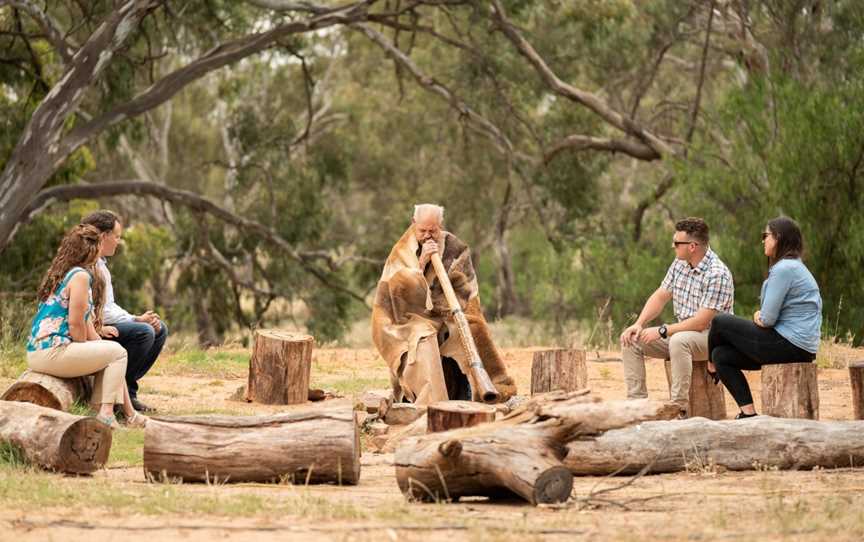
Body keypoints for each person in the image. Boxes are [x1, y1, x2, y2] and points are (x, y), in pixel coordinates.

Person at [371, 204, 517, 405]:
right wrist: (420, 265)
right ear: (414, 224)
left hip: (449, 313)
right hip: (411, 318)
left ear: (440, 225)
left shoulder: (455, 248)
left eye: (433, 230)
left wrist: (453, 312)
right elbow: (394, 297)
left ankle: (475, 395)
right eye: (422, 231)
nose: (428, 236)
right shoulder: (401, 251)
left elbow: (468, 292)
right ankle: (434, 404)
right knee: (424, 339)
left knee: (472, 329)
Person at [26, 224, 147, 429]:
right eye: (99, 245)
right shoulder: (80, 276)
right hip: (52, 352)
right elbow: (75, 324)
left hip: (38, 352)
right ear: (91, 249)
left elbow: (85, 321)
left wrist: (97, 347)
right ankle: (106, 414)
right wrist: (87, 348)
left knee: (113, 353)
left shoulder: (63, 273)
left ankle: (128, 414)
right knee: (117, 352)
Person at [708, 216, 822, 419]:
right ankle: (748, 413)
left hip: (789, 344)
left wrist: (757, 316)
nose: (763, 241)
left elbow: (767, 319)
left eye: (766, 236)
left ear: (777, 238)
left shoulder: (784, 269)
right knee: (721, 355)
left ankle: (709, 366)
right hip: (798, 347)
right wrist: (761, 317)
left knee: (719, 321)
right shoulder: (795, 267)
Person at [619, 217, 734, 416]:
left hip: (713, 338)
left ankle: (678, 408)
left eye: (676, 243)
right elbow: (661, 295)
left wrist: (662, 330)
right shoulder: (680, 263)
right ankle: (637, 406)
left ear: (692, 246)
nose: (673, 246)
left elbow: (701, 323)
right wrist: (639, 324)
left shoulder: (717, 274)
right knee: (632, 340)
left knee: (679, 341)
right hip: (684, 333)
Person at [81, 210, 167, 412]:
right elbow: (98, 312)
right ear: (103, 236)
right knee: (144, 332)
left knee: (159, 329)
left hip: (101, 323)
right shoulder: (89, 265)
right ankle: (115, 396)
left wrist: (135, 318)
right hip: (89, 329)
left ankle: (128, 392)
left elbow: (108, 305)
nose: (118, 242)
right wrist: (137, 322)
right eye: (117, 237)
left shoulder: (101, 264)